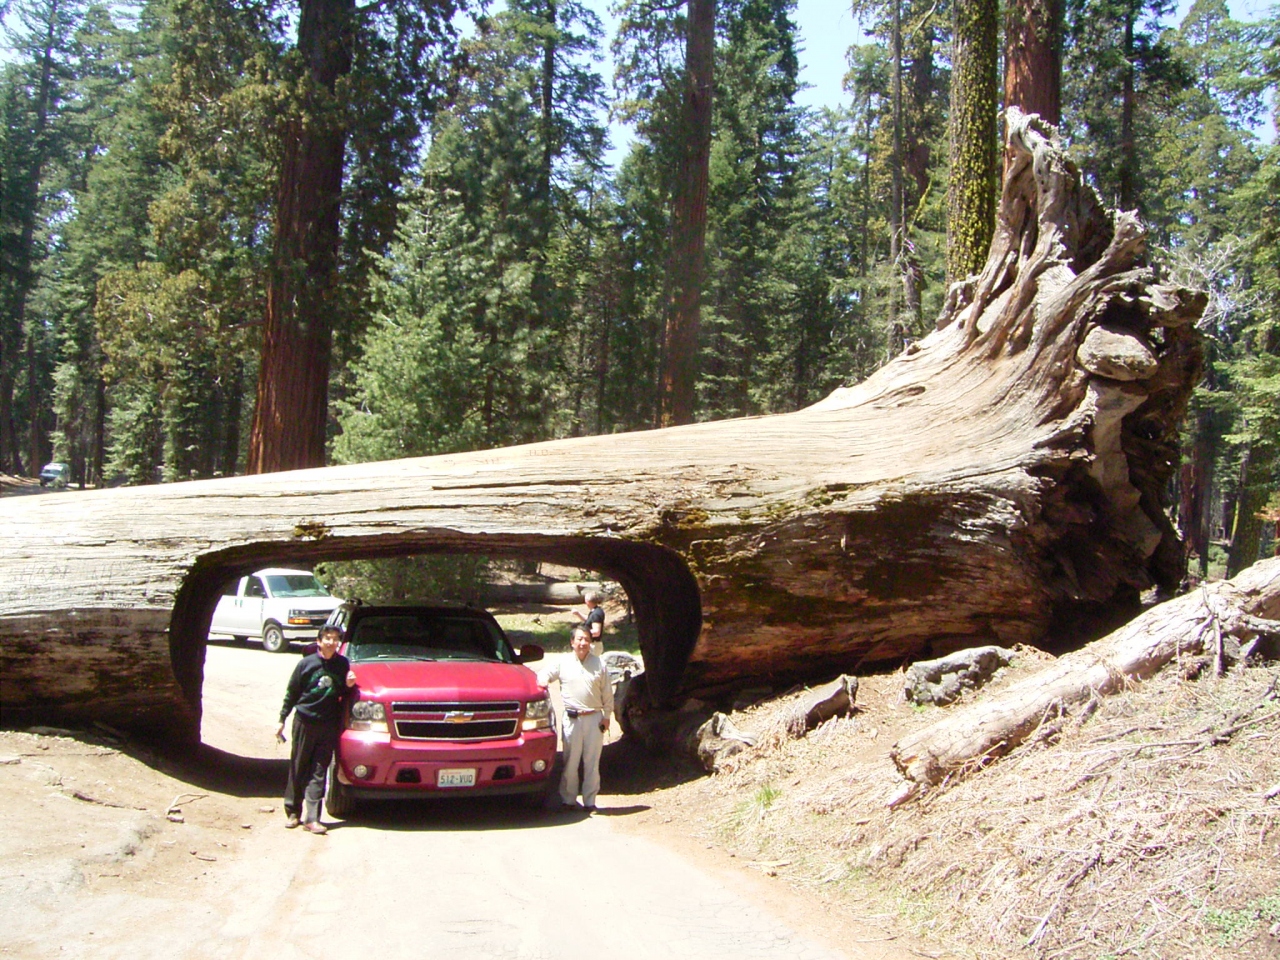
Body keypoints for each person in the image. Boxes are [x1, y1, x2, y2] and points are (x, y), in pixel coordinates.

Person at [276, 625, 356, 834]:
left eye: (335, 638)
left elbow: (346, 694)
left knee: (319, 770)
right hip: (305, 721)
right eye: (327, 638)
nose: (331, 642)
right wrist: (282, 719)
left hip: (328, 724)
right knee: (299, 766)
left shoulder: (342, 664)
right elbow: (292, 692)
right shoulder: (306, 664)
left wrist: (349, 685)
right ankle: (293, 812)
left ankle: (313, 818)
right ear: (319, 641)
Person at [539, 626, 613, 812]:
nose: (583, 643)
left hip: (594, 719)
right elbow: (543, 675)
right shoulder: (563, 663)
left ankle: (590, 801)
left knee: (592, 761)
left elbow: (607, 694)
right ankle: (568, 799)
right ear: (572, 642)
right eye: (579, 639)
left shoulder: (599, 664)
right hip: (572, 719)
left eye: (586, 639)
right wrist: (543, 682)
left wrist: (606, 717)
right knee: (570, 761)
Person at [572, 590, 605, 656]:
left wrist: (582, 634)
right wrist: (578, 614)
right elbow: (589, 619)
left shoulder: (596, 614)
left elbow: (596, 632)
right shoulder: (595, 611)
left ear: (587, 601)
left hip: (594, 646)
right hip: (592, 645)